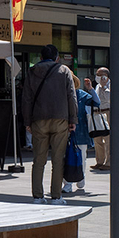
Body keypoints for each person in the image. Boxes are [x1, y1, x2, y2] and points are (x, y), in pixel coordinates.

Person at [21, 44, 77, 204]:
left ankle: (38, 196)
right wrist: (73, 119)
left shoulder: (32, 72)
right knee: (58, 159)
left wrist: (27, 121)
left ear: (40, 58)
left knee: (39, 160)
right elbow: (71, 96)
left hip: (38, 119)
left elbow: (26, 98)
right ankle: (56, 196)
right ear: (57, 58)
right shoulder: (64, 71)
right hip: (60, 118)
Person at [64, 74, 99, 194]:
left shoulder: (82, 95)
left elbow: (97, 102)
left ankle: (80, 177)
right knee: (65, 158)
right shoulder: (61, 95)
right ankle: (67, 184)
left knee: (81, 157)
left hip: (81, 131)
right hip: (64, 131)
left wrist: (90, 89)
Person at [92, 67, 115, 169]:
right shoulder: (97, 86)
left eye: (100, 74)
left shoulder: (110, 86)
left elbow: (109, 99)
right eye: (97, 74)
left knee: (108, 139)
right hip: (97, 113)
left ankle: (109, 162)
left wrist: (104, 86)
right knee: (97, 139)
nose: (98, 77)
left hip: (107, 112)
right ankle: (100, 161)